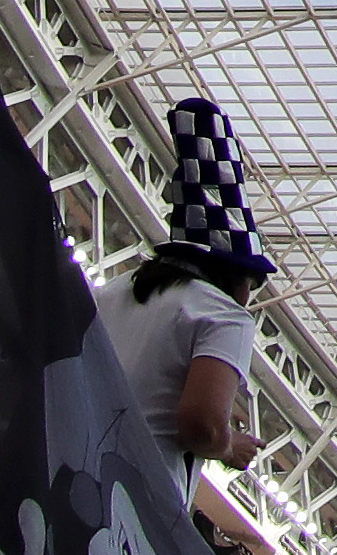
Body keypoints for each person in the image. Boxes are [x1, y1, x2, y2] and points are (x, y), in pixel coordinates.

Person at [103, 92, 273, 469]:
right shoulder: (224, 316)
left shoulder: (113, 290)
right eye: (252, 284)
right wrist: (228, 447)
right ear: (234, 275)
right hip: (129, 491)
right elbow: (202, 426)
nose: (248, 297)